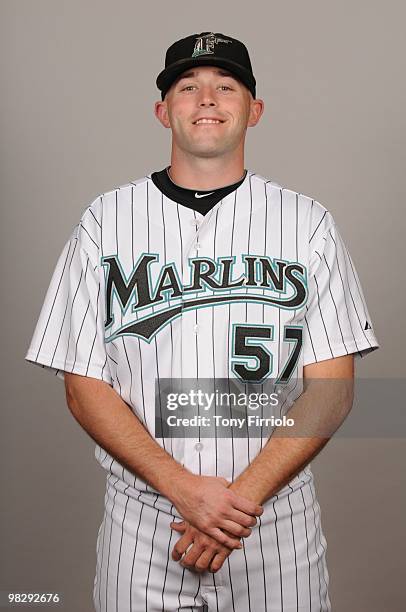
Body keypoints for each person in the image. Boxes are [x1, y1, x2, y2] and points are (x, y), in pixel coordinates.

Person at [25, 31, 380, 611]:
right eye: (188, 87)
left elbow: (332, 389)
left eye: (226, 86)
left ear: (254, 110)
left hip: (272, 525)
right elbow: (83, 384)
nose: (207, 99)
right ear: (164, 111)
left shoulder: (307, 223)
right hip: (144, 523)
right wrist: (185, 490)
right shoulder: (104, 221)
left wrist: (236, 501)